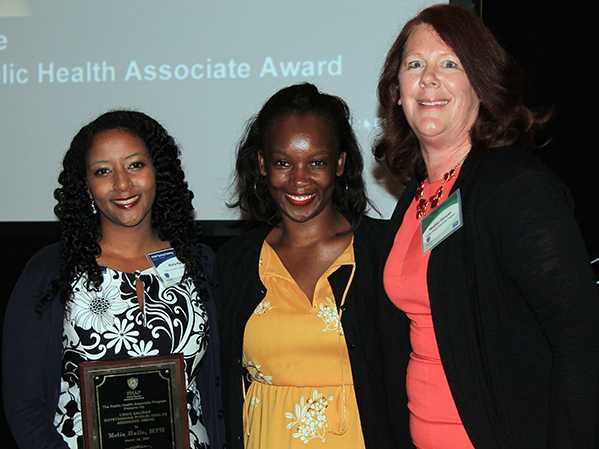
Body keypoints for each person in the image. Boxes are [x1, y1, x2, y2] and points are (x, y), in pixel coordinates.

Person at [373, 4, 599, 449]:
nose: (429, 78)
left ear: (480, 83)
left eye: (450, 64)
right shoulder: (415, 198)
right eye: (414, 64)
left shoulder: (515, 187)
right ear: (397, 92)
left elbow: (581, 339)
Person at [2, 110, 225, 449]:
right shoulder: (51, 271)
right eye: (103, 171)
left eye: (135, 165)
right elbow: (24, 403)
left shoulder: (201, 264)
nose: (122, 183)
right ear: (86, 186)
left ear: (158, 172)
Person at [217, 83, 404, 449]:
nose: (299, 179)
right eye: (283, 162)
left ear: (339, 164)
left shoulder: (385, 251)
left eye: (316, 162)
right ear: (262, 165)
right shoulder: (234, 263)